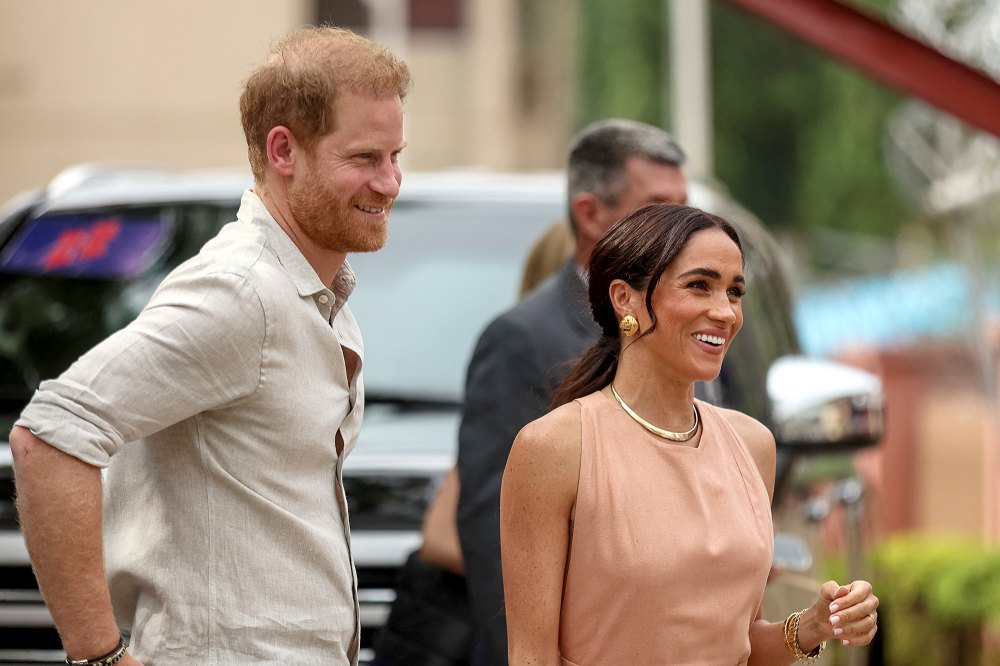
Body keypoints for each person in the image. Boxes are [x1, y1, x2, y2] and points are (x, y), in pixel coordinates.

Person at [9, 27, 410, 666]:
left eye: (395, 155)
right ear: (284, 150)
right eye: (364, 158)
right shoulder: (241, 292)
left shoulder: (305, 292)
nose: (390, 182)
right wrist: (100, 657)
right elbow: (51, 434)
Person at [500, 203, 879, 665]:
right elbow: (530, 657)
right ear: (626, 299)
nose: (725, 312)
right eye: (699, 286)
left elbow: (739, 644)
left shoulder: (751, 445)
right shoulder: (555, 448)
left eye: (734, 292)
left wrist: (814, 624)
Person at [456, 118, 689, 664]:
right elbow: (497, 537)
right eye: (658, 207)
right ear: (590, 213)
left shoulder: (700, 327)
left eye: (685, 205)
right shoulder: (522, 340)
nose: (682, 227)